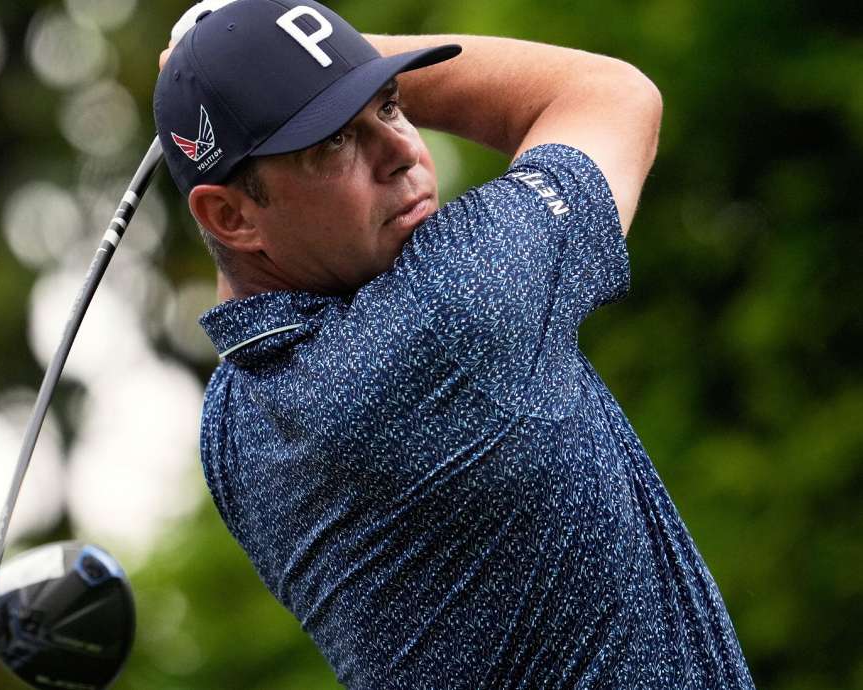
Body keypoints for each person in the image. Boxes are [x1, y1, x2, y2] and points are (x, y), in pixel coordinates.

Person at [153, 1, 755, 687]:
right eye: (332, 143)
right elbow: (612, 94)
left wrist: (297, 65)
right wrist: (353, 53)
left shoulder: (231, 425)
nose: (403, 152)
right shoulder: (451, 314)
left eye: (389, 104)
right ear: (229, 216)